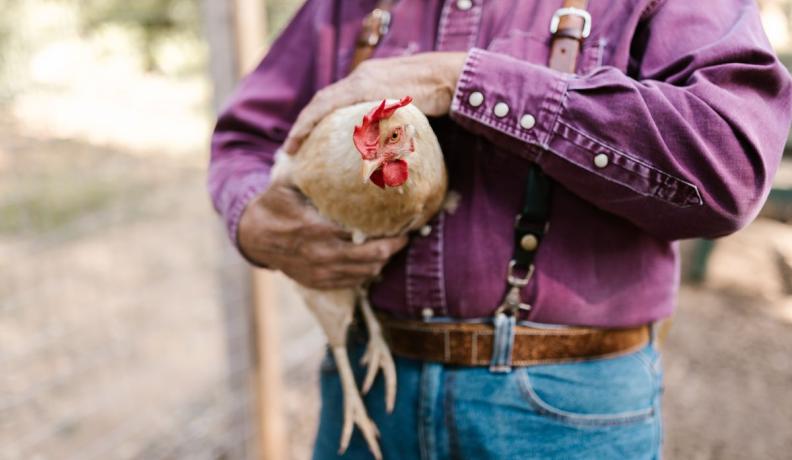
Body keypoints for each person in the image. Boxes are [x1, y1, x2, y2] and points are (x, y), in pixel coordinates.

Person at [209, 0, 792, 458]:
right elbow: (245, 137)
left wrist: (460, 81)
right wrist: (255, 221)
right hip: (366, 383)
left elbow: (728, 167)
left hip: (563, 408)